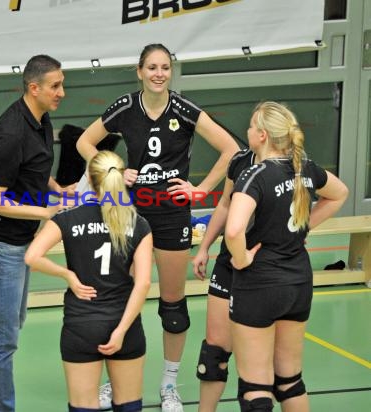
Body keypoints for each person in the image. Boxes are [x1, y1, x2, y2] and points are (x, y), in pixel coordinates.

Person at [76, 43, 239, 411]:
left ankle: (169, 385)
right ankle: (114, 382)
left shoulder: (184, 108)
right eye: (152, 67)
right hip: (130, 213)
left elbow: (230, 149)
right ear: (139, 71)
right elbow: (85, 142)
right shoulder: (125, 107)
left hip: (171, 215)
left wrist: (201, 191)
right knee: (119, 300)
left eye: (165, 67)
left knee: (173, 306)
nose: (159, 73)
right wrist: (114, 168)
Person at [224, 101, 348, 411]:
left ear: (262, 135)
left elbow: (234, 229)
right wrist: (302, 229)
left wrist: (240, 260)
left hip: (260, 284)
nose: (248, 131)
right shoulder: (304, 167)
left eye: (252, 127)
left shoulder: (256, 174)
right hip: (298, 282)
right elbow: (340, 194)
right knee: (290, 380)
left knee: (255, 386)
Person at [0, 54, 72, 412]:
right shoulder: (11, 133)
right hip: (3, 245)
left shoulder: (41, 119)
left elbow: (34, 169)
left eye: (61, 84)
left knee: (10, 326)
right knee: (5, 336)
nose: (62, 92)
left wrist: (60, 190)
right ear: (34, 88)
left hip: (23, 240)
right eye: (55, 86)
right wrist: (47, 211)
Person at [25, 150, 153, 412]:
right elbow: (143, 284)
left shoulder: (67, 218)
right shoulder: (138, 224)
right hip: (123, 324)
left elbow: (32, 256)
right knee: (129, 405)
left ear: (89, 180)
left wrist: (67, 275)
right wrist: (120, 331)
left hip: (81, 325)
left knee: (83, 407)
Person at [192, 148, 254, 412]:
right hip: (229, 263)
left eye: (253, 126)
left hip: (265, 267)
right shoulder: (240, 161)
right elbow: (225, 205)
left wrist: (302, 229)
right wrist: (205, 247)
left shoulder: (292, 165)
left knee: (256, 360)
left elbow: (336, 193)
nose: (248, 130)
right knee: (214, 352)